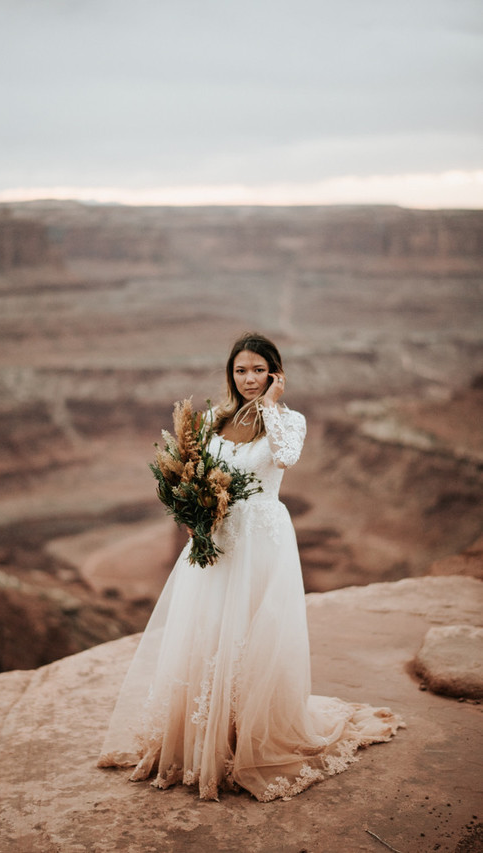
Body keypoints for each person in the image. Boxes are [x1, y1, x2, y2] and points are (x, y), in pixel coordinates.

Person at [97, 332, 404, 801]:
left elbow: (286, 457)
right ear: (231, 373)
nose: (249, 379)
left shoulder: (289, 420)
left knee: (255, 630)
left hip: (263, 537)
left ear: (275, 372)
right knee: (208, 628)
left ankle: (250, 738)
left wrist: (273, 406)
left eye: (259, 370)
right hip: (218, 538)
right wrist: (193, 517)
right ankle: (200, 742)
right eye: (241, 370)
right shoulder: (214, 420)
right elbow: (196, 476)